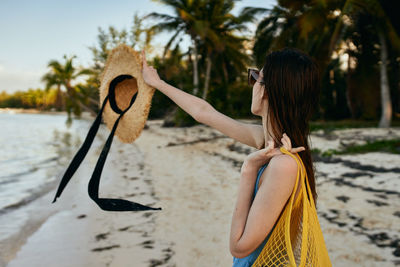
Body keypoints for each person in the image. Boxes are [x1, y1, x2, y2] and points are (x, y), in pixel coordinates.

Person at [141, 47, 320, 266]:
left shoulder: (284, 165)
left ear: (267, 91)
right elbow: (204, 113)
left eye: (256, 77)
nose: (252, 85)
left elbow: (239, 247)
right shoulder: (267, 141)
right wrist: (157, 83)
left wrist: (249, 168)